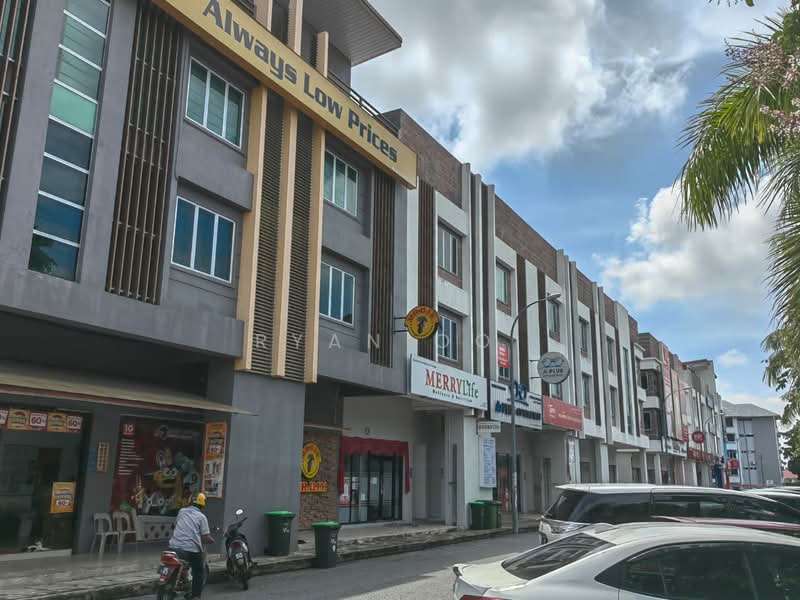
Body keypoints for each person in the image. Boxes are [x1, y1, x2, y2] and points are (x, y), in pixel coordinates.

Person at [168, 492, 213, 600]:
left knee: (182, 563)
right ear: (202, 505)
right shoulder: (202, 517)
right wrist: (212, 540)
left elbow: (176, 525)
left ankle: (181, 581)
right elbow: (205, 537)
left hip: (172, 546)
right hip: (190, 549)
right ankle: (196, 596)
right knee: (198, 572)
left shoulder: (181, 511)